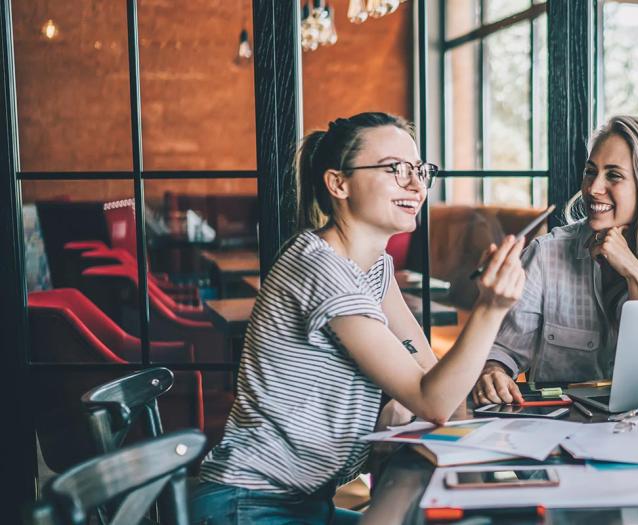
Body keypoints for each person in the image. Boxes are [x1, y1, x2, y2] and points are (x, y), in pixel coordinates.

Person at [191, 112, 526, 524]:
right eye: (394, 169)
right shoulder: (321, 268)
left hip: (305, 503)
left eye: (420, 170)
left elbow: (429, 373)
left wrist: (474, 445)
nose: (416, 185)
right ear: (338, 184)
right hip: (249, 505)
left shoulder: (373, 266)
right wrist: (490, 308)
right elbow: (432, 399)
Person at [472, 115, 638, 404]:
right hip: (560, 427)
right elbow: (503, 352)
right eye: (590, 171)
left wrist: (635, 276)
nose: (593, 187)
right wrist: (493, 370)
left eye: (613, 175)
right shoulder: (546, 254)